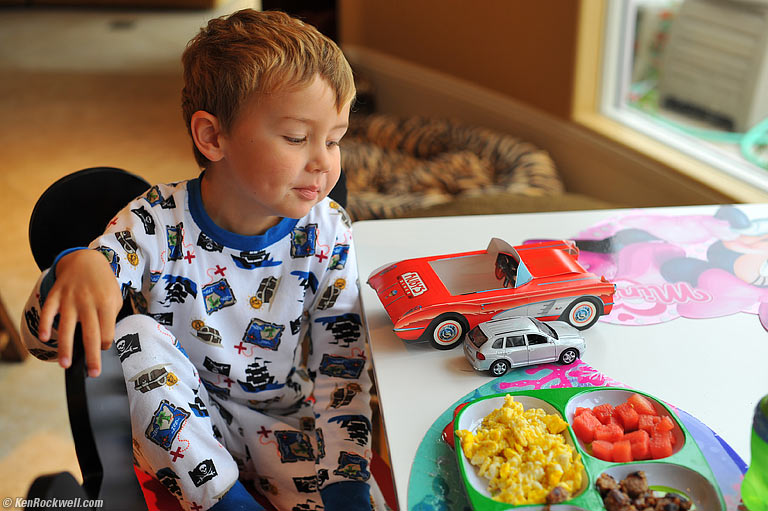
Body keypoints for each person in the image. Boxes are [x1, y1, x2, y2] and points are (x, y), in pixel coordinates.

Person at [20, 9, 379, 511]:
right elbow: (39, 342)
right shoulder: (151, 224)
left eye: (335, 139)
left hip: (284, 426)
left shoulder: (330, 230)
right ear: (212, 137)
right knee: (134, 335)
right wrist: (74, 268)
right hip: (176, 433)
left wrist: (347, 490)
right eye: (297, 138)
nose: (324, 161)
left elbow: (342, 367)